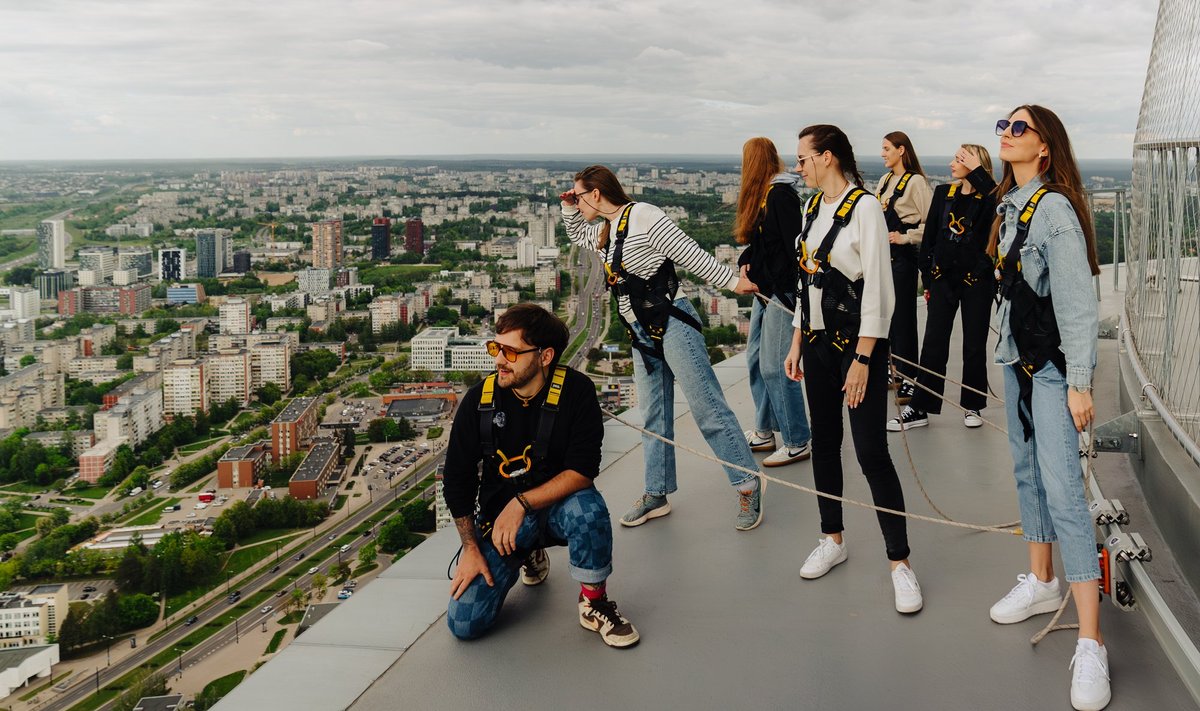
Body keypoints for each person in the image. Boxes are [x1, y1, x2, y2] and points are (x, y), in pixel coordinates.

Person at [561, 165, 765, 530]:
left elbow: (690, 253)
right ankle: (657, 492)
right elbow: (577, 233)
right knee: (654, 415)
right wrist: (567, 207)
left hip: (672, 322)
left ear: (596, 193)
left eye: (578, 196)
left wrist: (734, 282)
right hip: (640, 331)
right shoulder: (606, 229)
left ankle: (748, 482)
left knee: (706, 407)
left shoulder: (644, 215)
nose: (576, 203)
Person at [988, 105, 1108, 711]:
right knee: (1028, 472)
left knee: (1063, 492)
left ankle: (1090, 640)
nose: (1005, 135)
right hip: (1018, 359)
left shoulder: (1053, 210)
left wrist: (1080, 383)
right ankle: (1040, 580)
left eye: (1018, 129)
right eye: (1002, 127)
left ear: (1045, 148)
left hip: (1054, 370)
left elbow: (1078, 301)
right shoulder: (1011, 208)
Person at [783, 124, 922, 614]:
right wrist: (798, 338)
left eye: (802, 158)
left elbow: (880, 291)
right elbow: (807, 280)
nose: (797, 166)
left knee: (870, 451)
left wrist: (863, 359)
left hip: (856, 347)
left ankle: (900, 562)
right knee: (825, 442)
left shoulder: (864, 208)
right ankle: (832, 538)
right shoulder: (810, 209)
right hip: (818, 342)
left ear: (827, 158)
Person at [444, 303, 639, 648]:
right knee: (464, 622)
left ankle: (594, 602)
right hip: (503, 525)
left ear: (545, 356)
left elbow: (582, 471)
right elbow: (457, 479)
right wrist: (471, 547)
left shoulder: (576, 392)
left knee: (588, 510)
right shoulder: (479, 402)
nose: (499, 360)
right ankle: (527, 553)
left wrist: (521, 503)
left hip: (555, 509)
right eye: (496, 348)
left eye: (511, 352)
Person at [888, 144, 997, 431]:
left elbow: (999, 208)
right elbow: (931, 238)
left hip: (976, 282)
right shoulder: (943, 194)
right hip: (942, 280)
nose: (952, 163)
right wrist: (929, 276)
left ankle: (972, 404)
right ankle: (921, 406)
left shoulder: (988, 200)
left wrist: (979, 173)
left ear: (975, 165)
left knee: (974, 345)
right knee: (933, 344)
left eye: (959, 159)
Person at [734, 137, 812, 467]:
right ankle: (765, 430)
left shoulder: (780, 195)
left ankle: (797, 439)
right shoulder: (766, 196)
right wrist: (746, 259)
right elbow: (765, 243)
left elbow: (794, 245)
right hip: (765, 292)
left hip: (779, 294)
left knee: (776, 366)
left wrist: (787, 293)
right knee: (755, 360)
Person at [875, 131, 932, 405]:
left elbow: (932, 224)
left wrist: (905, 237)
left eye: (887, 148)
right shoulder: (886, 180)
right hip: (886, 257)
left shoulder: (916, 182)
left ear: (901, 150)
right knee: (889, 317)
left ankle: (910, 377)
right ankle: (895, 370)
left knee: (904, 319)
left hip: (904, 256)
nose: (883, 153)